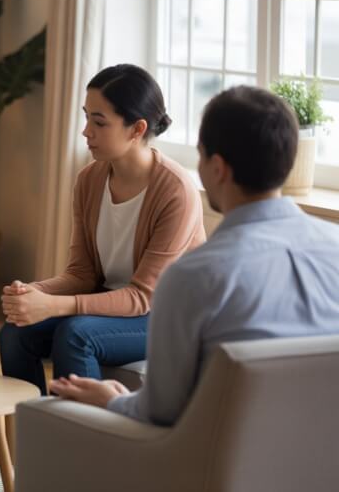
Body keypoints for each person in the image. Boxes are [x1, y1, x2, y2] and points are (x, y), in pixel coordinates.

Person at [50, 85, 339, 425]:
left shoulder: (195, 277)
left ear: (217, 168)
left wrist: (113, 401)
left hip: (211, 469)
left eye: (200, 155)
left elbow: (160, 412)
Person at [0, 64, 206, 395]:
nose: (85, 131)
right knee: (15, 331)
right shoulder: (89, 180)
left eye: (99, 122)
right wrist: (32, 292)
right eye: (86, 117)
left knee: (76, 333)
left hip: (169, 317)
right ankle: (34, 439)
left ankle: (88, 443)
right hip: (113, 302)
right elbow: (82, 275)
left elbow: (142, 297)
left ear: (136, 129)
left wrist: (53, 306)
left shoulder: (175, 190)